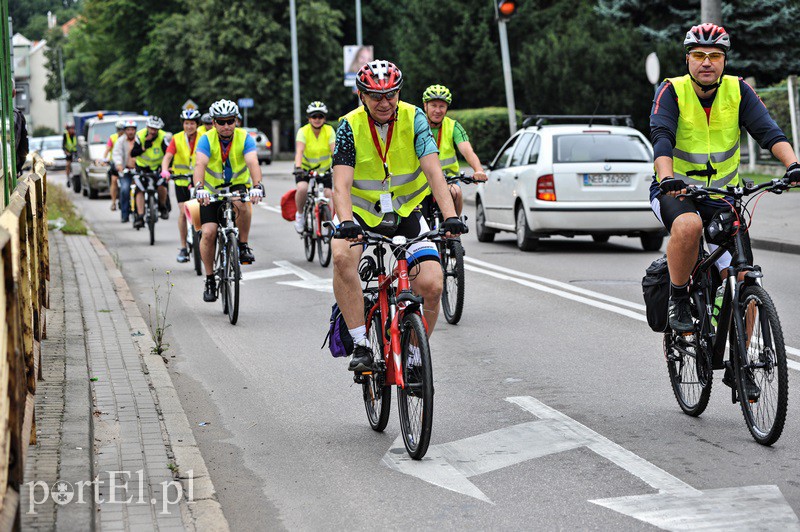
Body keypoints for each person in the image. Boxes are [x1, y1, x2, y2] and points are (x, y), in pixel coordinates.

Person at [650, 23, 800, 399]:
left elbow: (769, 132)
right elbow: (662, 135)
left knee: (744, 272)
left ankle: (739, 359)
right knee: (688, 225)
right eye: (699, 56)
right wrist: (667, 177)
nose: (706, 63)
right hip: (676, 190)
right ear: (688, 59)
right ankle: (679, 298)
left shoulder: (738, 90)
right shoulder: (672, 90)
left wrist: (793, 165)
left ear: (723, 61)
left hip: (723, 195)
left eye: (714, 56)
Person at [331, 59, 466, 372]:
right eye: (376, 96)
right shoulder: (349, 125)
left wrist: (449, 217)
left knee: (432, 285)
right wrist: (346, 222)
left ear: (399, 92)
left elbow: (434, 172)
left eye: (390, 95)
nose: (384, 102)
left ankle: (416, 356)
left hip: (406, 210)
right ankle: (361, 342)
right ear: (361, 95)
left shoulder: (414, 117)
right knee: (341, 258)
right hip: (360, 212)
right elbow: (341, 183)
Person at [193, 99, 264, 302]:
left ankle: (242, 245)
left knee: (243, 202)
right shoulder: (206, 139)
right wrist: (199, 188)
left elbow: (253, 162)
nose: (226, 126)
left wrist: (257, 185)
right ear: (214, 123)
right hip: (210, 190)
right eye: (221, 122)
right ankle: (209, 279)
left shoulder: (245, 138)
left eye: (230, 121)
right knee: (208, 233)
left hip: (236, 186)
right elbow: (200, 164)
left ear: (236, 121)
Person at [421, 84, 487, 216]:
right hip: (421, 180)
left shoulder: (453, 126)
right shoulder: (416, 124)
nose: (438, 110)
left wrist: (478, 170)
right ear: (425, 106)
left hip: (448, 179)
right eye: (433, 105)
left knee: (455, 192)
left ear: (447, 108)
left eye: (442, 106)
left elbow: (467, 151)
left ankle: (454, 229)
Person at [161, 109, 202, 263]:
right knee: (183, 213)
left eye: (192, 123)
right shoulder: (177, 138)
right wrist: (165, 170)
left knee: (202, 212)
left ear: (197, 125)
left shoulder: (204, 138)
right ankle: (184, 247)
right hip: (181, 181)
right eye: (186, 123)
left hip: (199, 181)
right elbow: (168, 156)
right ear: (183, 124)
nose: (189, 126)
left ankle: (204, 243)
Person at [293, 101, 335, 232]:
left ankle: (331, 223)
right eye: (314, 116)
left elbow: (334, 151)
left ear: (324, 118)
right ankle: (300, 215)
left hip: (324, 170)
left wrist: (340, 166)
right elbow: (299, 151)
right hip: (305, 168)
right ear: (309, 118)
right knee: (302, 188)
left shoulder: (329, 130)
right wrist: (298, 168)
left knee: (328, 194)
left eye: (320, 116)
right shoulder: (303, 131)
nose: (317, 119)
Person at [130, 115, 170, 228]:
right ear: (147, 127)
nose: (153, 131)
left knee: (162, 185)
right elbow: (133, 153)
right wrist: (144, 147)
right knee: (140, 189)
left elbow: (169, 154)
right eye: (151, 128)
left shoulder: (163, 137)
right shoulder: (140, 135)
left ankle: (162, 207)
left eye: (156, 129)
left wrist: (168, 167)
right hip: (142, 166)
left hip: (158, 166)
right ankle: (140, 216)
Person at [112, 121, 139, 223]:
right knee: (124, 189)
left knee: (141, 190)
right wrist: (119, 165)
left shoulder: (139, 139)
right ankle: (124, 214)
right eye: (128, 129)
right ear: (125, 131)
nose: (130, 132)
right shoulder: (121, 141)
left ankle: (141, 213)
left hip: (138, 170)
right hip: (126, 170)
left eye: (132, 129)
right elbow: (116, 153)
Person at [103, 120, 126, 211]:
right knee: (114, 180)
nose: (120, 131)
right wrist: (104, 159)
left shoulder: (128, 138)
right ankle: (113, 202)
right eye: (118, 129)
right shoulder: (113, 138)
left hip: (126, 163)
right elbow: (107, 149)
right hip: (116, 163)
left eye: (122, 129)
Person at [12, 79, 29, 175]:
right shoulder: (16, 115)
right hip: (10, 169)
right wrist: (18, 167)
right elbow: (23, 147)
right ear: (14, 93)